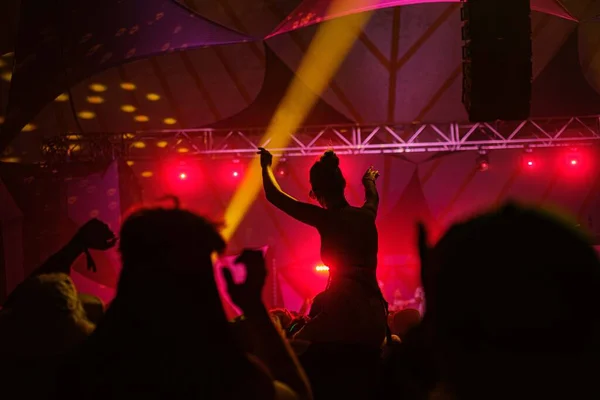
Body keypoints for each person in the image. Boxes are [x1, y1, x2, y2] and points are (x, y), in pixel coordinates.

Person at [55, 206, 312, 400]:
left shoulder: (85, 368)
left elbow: (35, 294)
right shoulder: (223, 376)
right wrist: (253, 306)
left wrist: (77, 246)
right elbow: (297, 395)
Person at [258, 148, 387, 346]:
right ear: (342, 186)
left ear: (317, 193)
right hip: (376, 310)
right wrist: (368, 180)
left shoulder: (325, 218)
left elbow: (274, 195)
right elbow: (372, 196)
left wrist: (266, 166)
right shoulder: (367, 214)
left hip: (343, 307)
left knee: (293, 348)